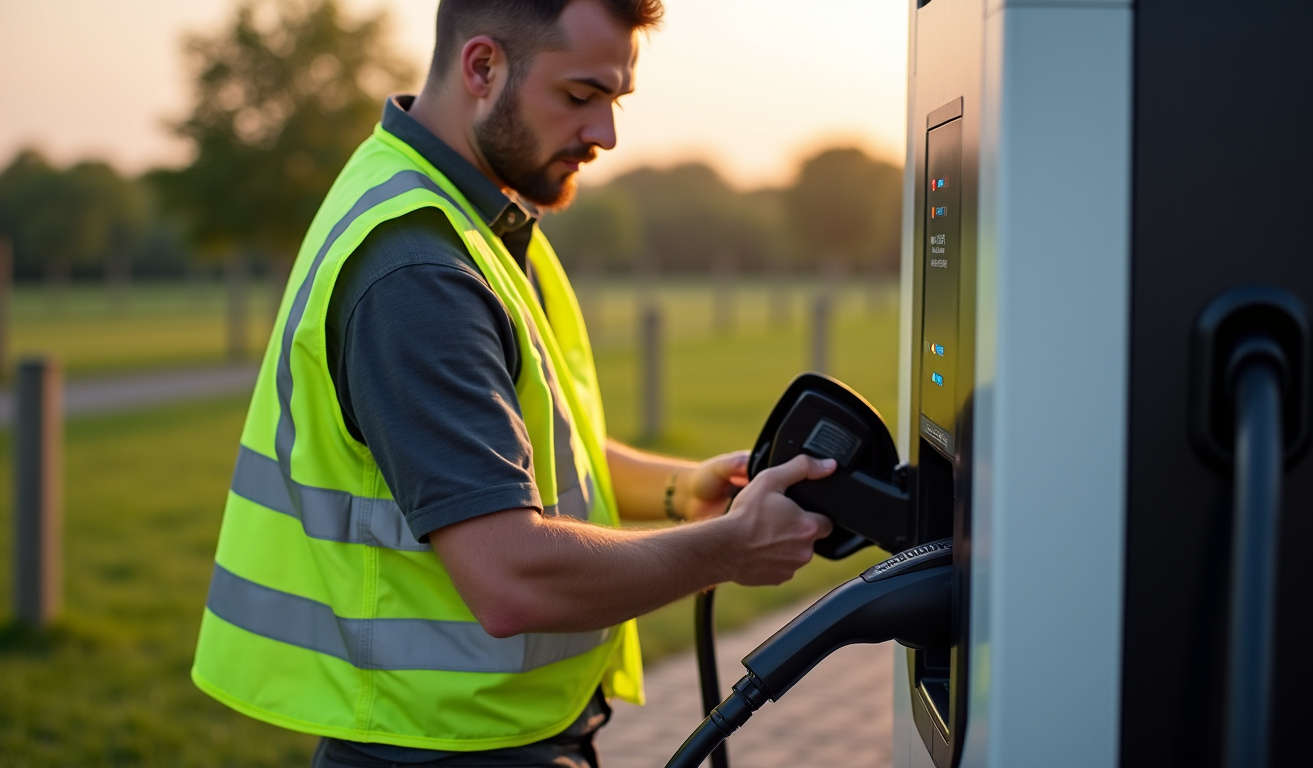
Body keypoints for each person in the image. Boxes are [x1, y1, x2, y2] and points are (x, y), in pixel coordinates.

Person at [192, 1, 836, 765]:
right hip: (446, 747)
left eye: (614, 100)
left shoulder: (468, 218)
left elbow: (510, 453)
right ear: (482, 67)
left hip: (483, 735)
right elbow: (511, 577)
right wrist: (726, 549)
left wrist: (679, 488)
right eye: (579, 95)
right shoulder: (420, 269)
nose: (605, 135)